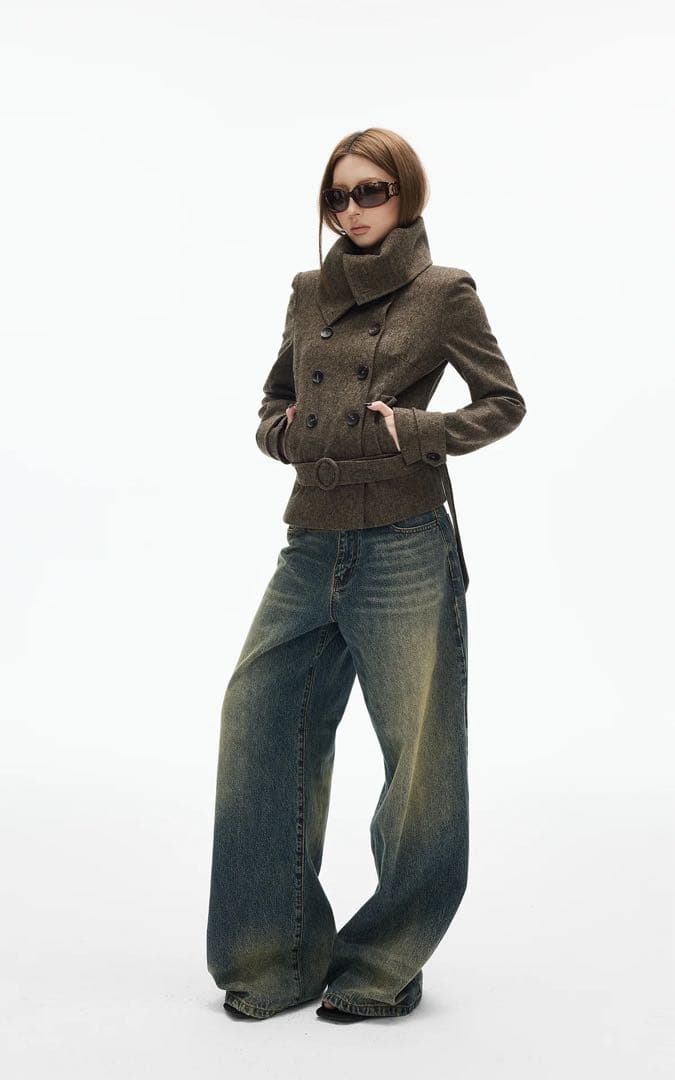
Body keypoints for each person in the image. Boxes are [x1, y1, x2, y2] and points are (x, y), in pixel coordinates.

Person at [206, 127, 527, 1023]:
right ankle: (274, 955)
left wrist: (414, 432)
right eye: (337, 195)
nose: (351, 209)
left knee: (418, 760)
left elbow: (503, 402)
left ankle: (386, 960)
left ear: (405, 194)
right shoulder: (307, 291)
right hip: (311, 539)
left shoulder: (443, 292)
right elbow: (275, 398)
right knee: (258, 720)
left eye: (370, 191)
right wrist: (281, 436)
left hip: (403, 543)